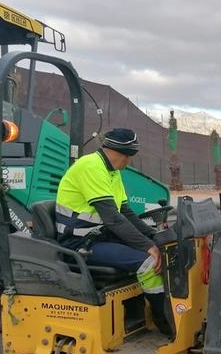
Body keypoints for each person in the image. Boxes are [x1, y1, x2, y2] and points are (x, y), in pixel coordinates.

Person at [55, 129, 171, 338]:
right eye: (129, 157)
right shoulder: (90, 167)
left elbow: (125, 212)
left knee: (161, 252)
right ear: (123, 153)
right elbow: (113, 218)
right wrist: (148, 247)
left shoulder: (111, 172)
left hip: (99, 236)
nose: (129, 162)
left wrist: (154, 237)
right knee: (148, 263)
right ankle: (164, 321)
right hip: (80, 244)